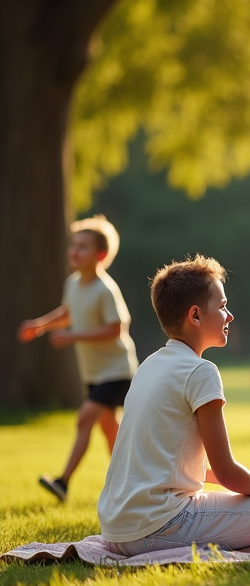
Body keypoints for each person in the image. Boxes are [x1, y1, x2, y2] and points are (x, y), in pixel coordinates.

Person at [98, 255, 250, 557]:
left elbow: (175, 463)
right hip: (158, 526)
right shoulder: (201, 371)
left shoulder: (149, 365)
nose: (230, 315)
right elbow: (226, 473)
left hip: (116, 530)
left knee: (241, 502)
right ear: (195, 316)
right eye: (222, 306)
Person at [18, 215, 139, 503]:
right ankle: (128, 485)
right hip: (95, 372)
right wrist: (40, 325)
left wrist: (74, 337)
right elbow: (68, 312)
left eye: (82, 247)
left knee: (85, 419)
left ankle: (63, 482)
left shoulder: (105, 289)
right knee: (111, 430)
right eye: (73, 245)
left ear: (100, 255)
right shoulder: (73, 283)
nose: (74, 251)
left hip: (117, 370)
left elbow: (115, 328)